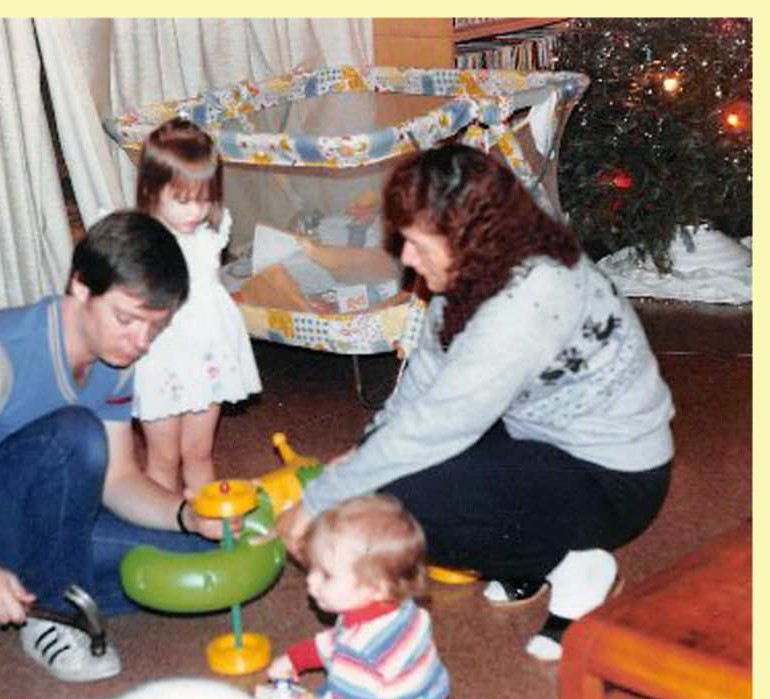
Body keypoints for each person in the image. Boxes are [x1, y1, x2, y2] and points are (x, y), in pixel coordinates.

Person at [275, 144, 675, 661]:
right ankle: (528, 559)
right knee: (389, 470)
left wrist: (321, 499)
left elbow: (441, 424)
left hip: (616, 478)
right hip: (542, 442)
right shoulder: (479, 267)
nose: (406, 259)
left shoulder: (530, 296)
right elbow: (424, 384)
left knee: (403, 500)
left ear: (468, 235)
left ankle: (573, 565)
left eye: (417, 243)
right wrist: (363, 453)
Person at [0, 211, 232, 683]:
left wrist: (187, 515)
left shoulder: (115, 358)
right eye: (128, 319)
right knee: (76, 435)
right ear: (80, 285)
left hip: (32, 527)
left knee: (205, 559)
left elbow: (119, 480)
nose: (141, 342)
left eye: (155, 328)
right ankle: (50, 614)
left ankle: (7, 598)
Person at [132, 117, 262, 495]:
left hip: (207, 355)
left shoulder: (211, 234)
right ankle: (166, 524)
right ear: (150, 190)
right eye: (183, 201)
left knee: (199, 450)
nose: (195, 213)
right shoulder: (140, 239)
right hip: (161, 360)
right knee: (164, 458)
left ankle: (208, 526)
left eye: (204, 200)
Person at [266, 495, 450, 699]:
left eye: (326, 575)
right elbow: (339, 638)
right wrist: (296, 659)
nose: (310, 580)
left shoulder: (357, 654)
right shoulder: (401, 607)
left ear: (375, 587)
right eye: (312, 568)